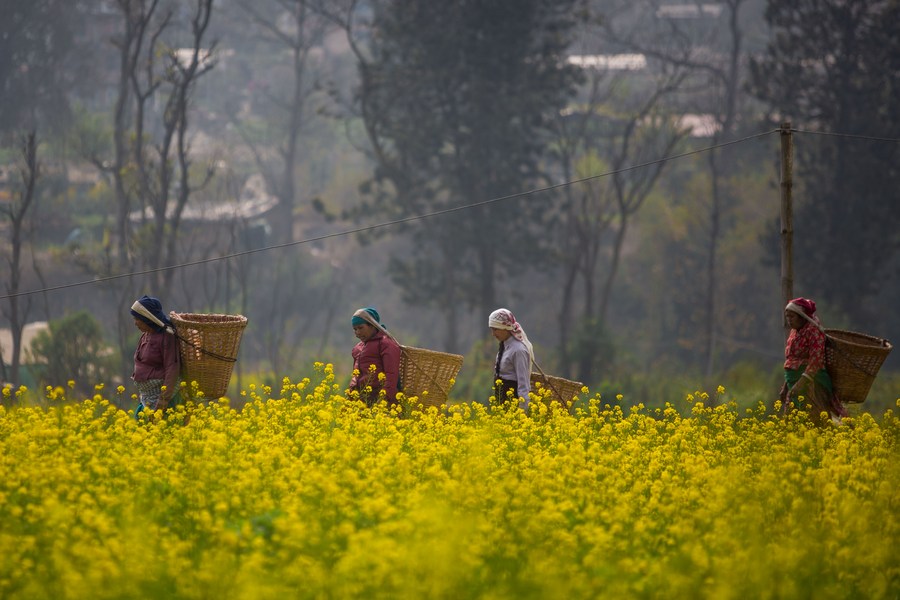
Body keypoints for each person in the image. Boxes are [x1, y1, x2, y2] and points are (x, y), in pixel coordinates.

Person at [779, 297, 848, 426]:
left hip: (812, 383)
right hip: (794, 385)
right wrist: (785, 387)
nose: (789, 320)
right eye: (787, 317)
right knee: (791, 423)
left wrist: (801, 384)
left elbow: (816, 361)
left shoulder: (814, 331)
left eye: (792, 317)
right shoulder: (794, 331)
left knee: (813, 420)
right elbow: (791, 360)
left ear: (801, 316)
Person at [131, 295, 180, 417]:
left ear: (147, 319)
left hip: (162, 402)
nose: (135, 323)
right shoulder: (145, 335)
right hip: (147, 399)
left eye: (137, 319)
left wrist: (163, 400)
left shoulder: (167, 336)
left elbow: (172, 368)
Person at [348, 307, 401, 408]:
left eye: (360, 328)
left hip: (381, 401)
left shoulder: (386, 344)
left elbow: (391, 375)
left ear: (372, 325)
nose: (357, 332)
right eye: (355, 329)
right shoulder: (358, 348)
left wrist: (383, 400)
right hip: (361, 400)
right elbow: (356, 375)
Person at [488, 308, 534, 409]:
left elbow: (523, 384)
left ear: (505, 328)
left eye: (495, 329)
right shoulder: (505, 345)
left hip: (513, 405)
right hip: (502, 403)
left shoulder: (518, 350)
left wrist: (522, 411)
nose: (493, 334)